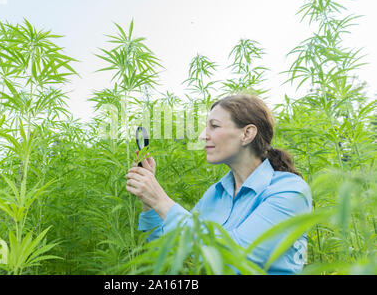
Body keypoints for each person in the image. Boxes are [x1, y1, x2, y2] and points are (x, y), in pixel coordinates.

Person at [125, 94, 312, 274]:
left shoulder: (290, 191)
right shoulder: (215, 194)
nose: (202, 136)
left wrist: (161, 201)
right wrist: (148, 201)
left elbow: (235, 258)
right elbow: (168, 252)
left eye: (214, 126)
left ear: (247, 133)